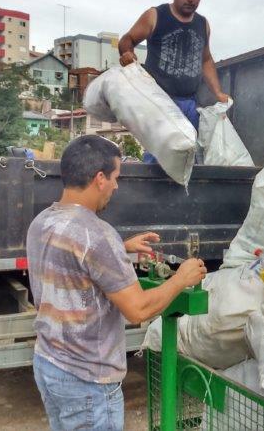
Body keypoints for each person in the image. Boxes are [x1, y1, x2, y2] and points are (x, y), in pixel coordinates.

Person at [26, 135, 207, 430]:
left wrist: (121, 248)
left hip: (48, 364)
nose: (116, 186)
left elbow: (72, 262)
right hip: (88, 380)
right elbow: (137, 310)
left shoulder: (43, 221)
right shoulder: (98, 235)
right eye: (115, 177)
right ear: (99, 178)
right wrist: (181, 279)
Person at [119, 0, 230, 163]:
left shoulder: (203, 24)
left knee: (187, 159)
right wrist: (126, 53)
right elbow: (127, 39)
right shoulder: (155, 16)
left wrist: (217, 92)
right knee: (158, 158)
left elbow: (206, 59)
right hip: (159, 102)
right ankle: (150, 190)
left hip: (190, 104)